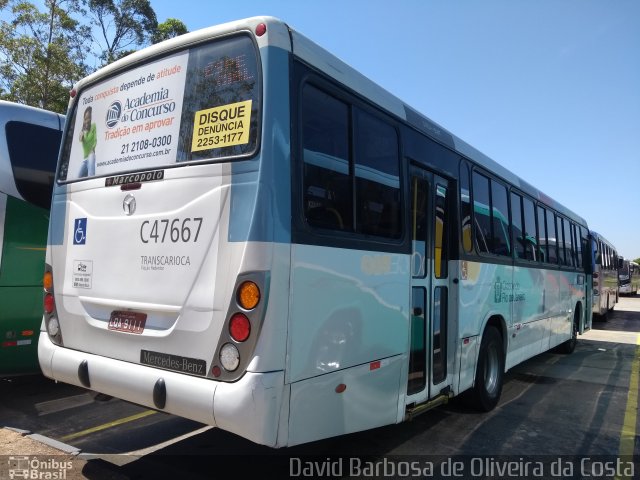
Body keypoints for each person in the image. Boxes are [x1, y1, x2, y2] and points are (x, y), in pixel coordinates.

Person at [78, 107, 97, 177]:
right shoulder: (83, 131)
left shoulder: (93, 126)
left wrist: (93, 148)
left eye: (89, 117)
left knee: (90, 175)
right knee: (78, 178)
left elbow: (95, 140)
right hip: (85, 158)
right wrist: (82, 133)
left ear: (91, 117)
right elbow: (80, 140)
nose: (87, 120)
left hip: (91, 155)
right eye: (86, 118)